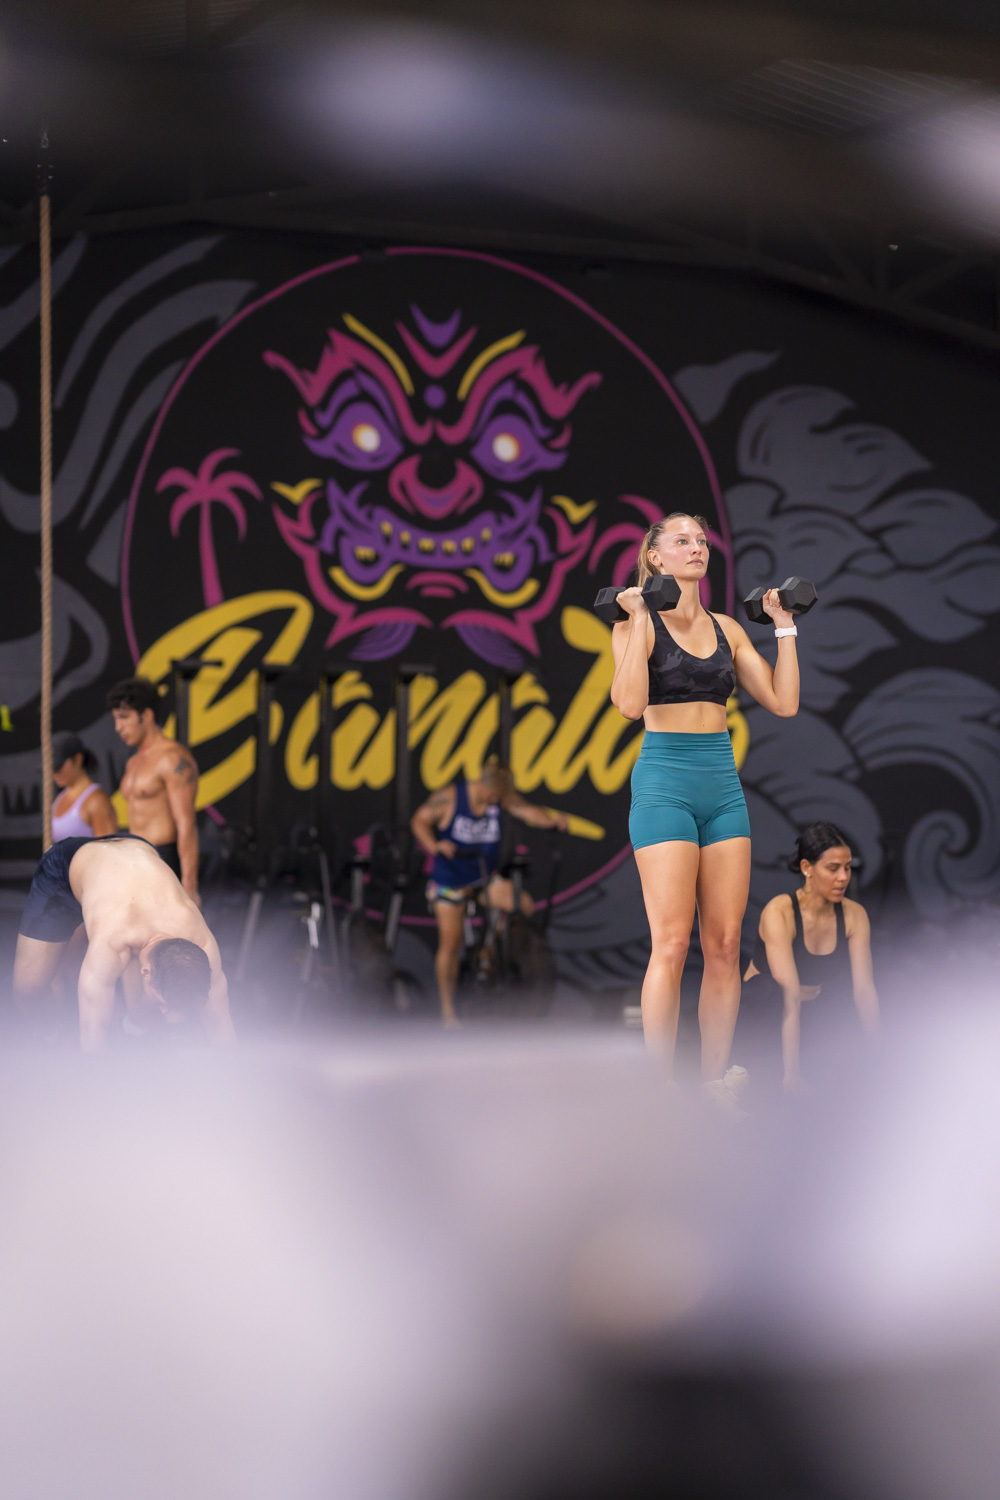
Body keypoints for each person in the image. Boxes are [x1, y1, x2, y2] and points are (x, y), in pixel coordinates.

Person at [610, 511, 800, 1097]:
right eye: (681, 540)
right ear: (655, 557)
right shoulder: (634, 623)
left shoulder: (728, 629)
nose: (696, 547)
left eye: (701, 540)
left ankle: (714, 1085)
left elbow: (784, 702)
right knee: (670, 944)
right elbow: (629, 706)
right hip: (664, 783)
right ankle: (659, 1092)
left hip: (721, 787)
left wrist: (784, 627)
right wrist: (638, 618)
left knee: (724, 945)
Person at [12, 834, 235, 1050]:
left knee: (155, 998)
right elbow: (92, 1036)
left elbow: (222, 1028)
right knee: (27, 989)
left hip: (137, 851)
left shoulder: (202, 945)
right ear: (146, 971)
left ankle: (131, 1031)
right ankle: (50, 1036)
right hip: (68, 867)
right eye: (165, 1005)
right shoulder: (113, 941)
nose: (173, 1018)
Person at [411, 760, 568, 1026]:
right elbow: (419, 820)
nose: (496, 801)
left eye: (500, 797)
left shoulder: (500, 798)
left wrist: (552, 821)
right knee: (451, 942)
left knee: (521, 904)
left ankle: (487, 951)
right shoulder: (450, 797)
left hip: (482, 878)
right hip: (450, 881)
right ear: (483, 785)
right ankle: (448, 1011)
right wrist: (435, 845)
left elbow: (526, 811)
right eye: (494, 795)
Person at [736, 822, 879, 1094]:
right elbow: (789, 996)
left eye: (847, 868)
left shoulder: (854, 915)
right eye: (833, 868)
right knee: (769, 989)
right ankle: (744, 1068)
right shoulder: (779, 912)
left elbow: (864, 990)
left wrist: (878, 1058)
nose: (843, 877)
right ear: (806, 868)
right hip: (765, 1015)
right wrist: (791, 1075)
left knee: (841, 995)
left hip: (809, 1012)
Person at [107, 676, 200, 902]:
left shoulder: (172, 758)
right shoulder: (133, 762)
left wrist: (189, 885)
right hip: (135, 858)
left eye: (124, 717)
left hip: (163, 858)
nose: (118, 728)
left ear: (146, 716)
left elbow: (186, 824)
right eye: (116, 719)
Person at [51, 731, 118, 841]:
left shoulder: (97, 801)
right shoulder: (59, 798)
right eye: (51, 769)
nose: (54, 773)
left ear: (78, 759)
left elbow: (109, 848)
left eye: (58, 767)